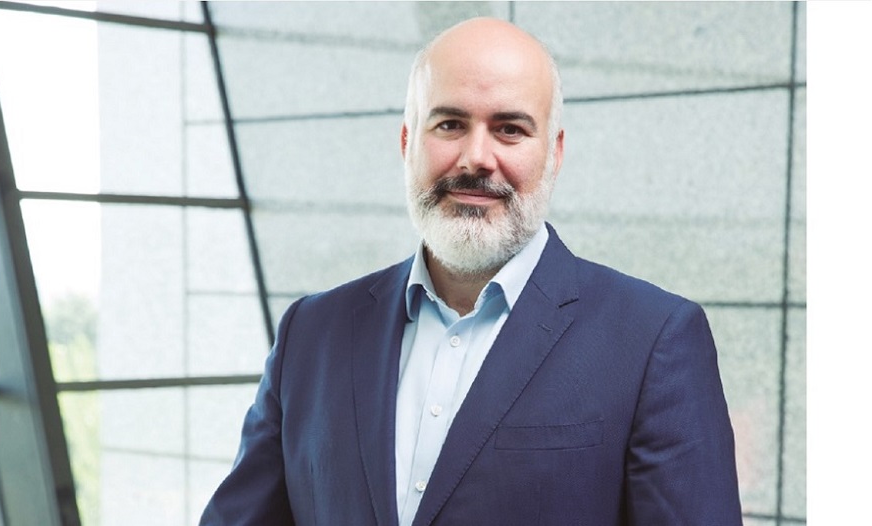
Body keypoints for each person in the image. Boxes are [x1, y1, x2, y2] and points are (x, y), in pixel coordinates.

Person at [199, 17, 742, 526]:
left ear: (554, 154)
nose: (476, 157)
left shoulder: (653, 341)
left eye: (510, 129)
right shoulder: (311, 332)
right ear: (407, 142)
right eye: (450, 124)